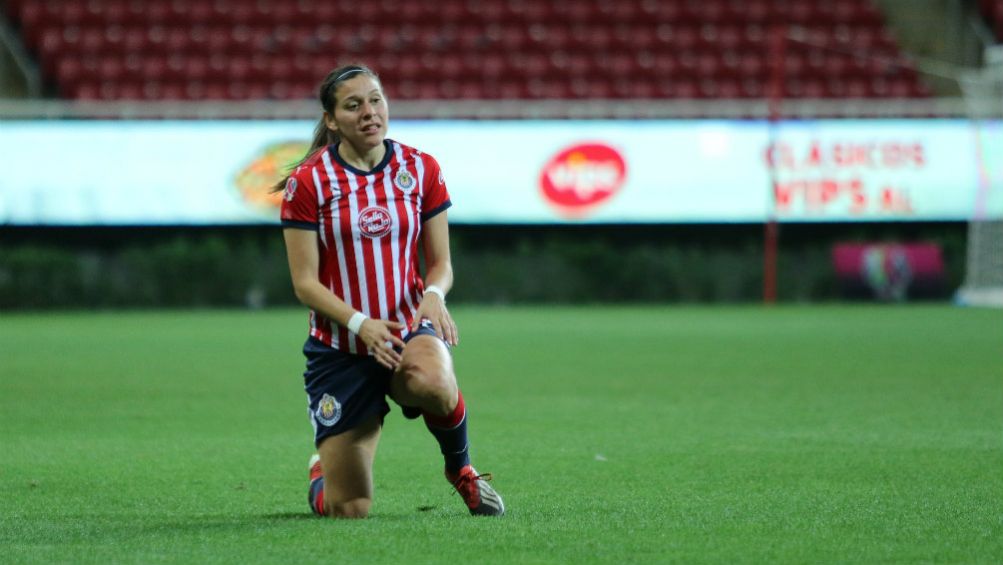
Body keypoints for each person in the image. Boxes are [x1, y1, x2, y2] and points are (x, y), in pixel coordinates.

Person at [276, 63, 504, 519]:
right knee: (350, 508)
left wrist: (434, 295)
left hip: (406, 331)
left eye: (376, 100)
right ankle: (324, 473)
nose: (369, 112)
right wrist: (361, 325)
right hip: (341, 347)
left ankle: (460, 469)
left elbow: (440, 264)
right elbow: (305, 283)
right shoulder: (310, 181)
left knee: (435, 381)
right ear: (332, 119)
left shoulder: (421, 169)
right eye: (353, 105)